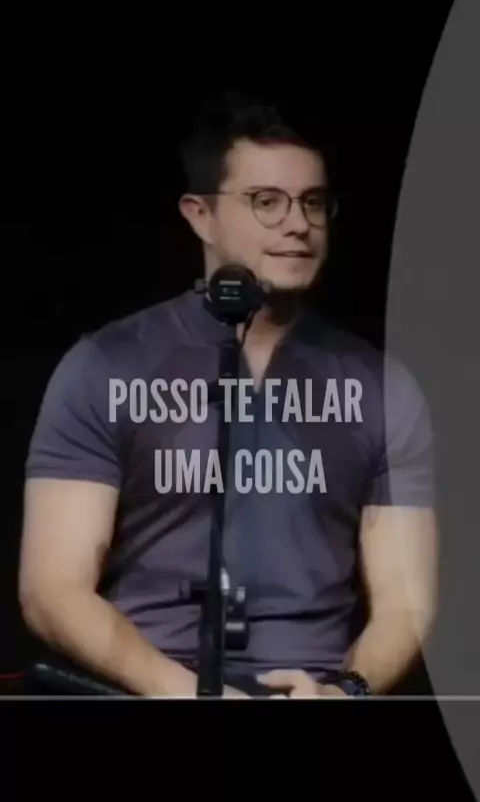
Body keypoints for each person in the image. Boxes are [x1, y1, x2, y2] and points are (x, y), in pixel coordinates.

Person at [18, 91, 438, 698]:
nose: (298, 223)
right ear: (200, 215)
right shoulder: (105, 365)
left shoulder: (382, 387)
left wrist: (346, 691)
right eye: (267, 201)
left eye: (313, 202)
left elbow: (408, 603)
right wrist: (183, 692)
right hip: (147, 693)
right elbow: (51, 590)